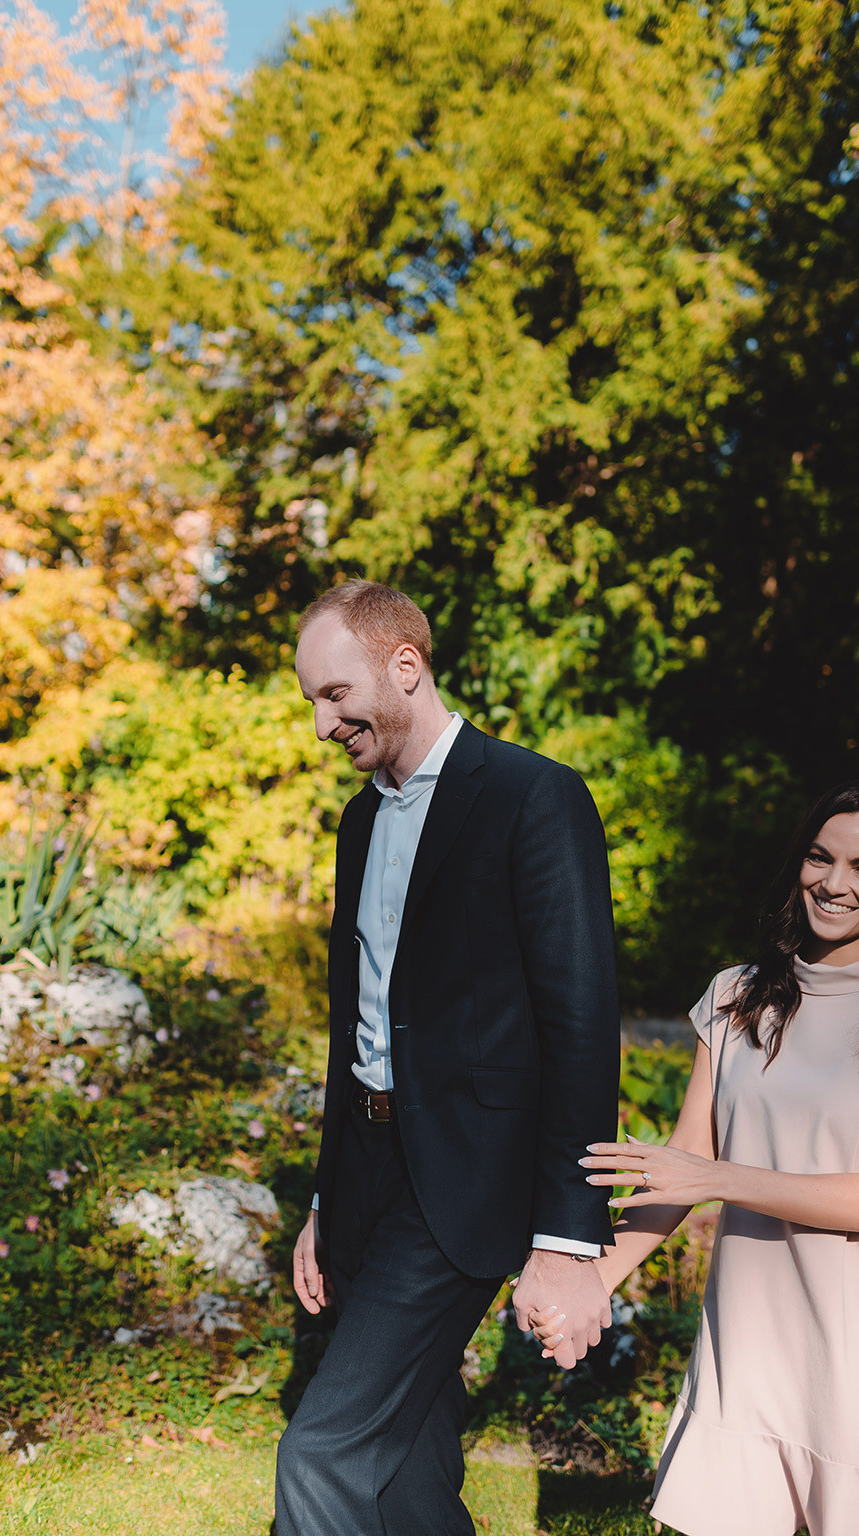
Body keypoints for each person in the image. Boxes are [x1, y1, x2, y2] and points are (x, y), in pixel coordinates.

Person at [275, 579, 622, 1535]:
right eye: (309, 700)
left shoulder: (533, 797)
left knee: (323, 1452)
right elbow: (358, 1027)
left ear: (405, 666)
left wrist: (565, 1237)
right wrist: (322, 1199)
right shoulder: (359, 821)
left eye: (335, 695)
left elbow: (582, 1028)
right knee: (412, 1467)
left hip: (464, 1184)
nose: (320, 724)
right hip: (365, 1179)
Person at [531, 780, 859, 1536]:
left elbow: (703, 1173)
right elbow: (684, 1162)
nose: (834, 884)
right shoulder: (737, 996)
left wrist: (717, 1180)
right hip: (748, 1344)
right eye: (819, 857)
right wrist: (590, 1282)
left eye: (856, 867)